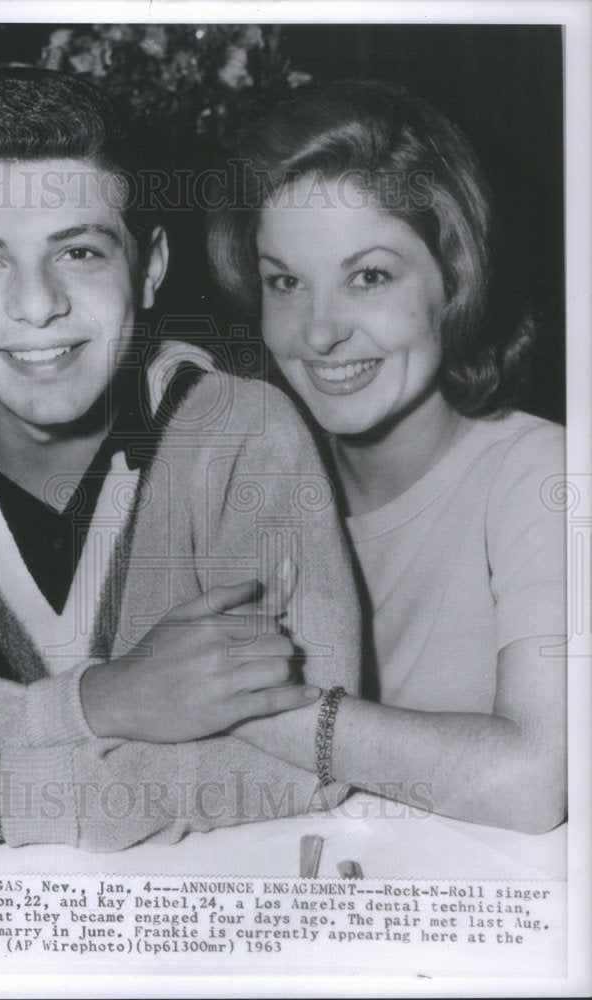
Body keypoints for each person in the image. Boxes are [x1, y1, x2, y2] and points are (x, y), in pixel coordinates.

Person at [0, 67, 361, 852]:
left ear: (148, 268)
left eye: (78, 252)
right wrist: (100, 701)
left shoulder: (243, 433)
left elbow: (308, 756)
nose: (37, 305)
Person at [206, 80, 566, 834]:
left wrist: (237, 708)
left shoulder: (544, 477)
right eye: (285, 282)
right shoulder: (246, 486)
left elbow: (536, 783)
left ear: (455, 280)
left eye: (368, 276)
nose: (319, 332)